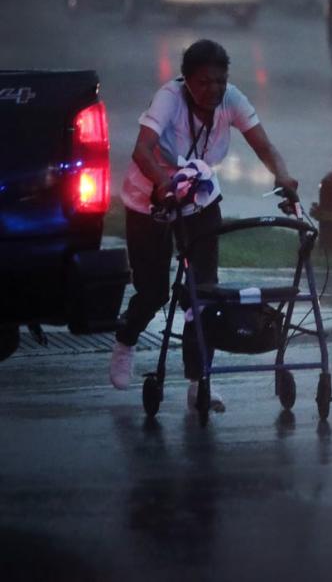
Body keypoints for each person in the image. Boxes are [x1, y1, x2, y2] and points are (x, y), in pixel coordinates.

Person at [109, 39, 298, 412]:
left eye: (220, 82)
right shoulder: (169, 98)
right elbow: (141, 149)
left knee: (203, 293)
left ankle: (199, 382)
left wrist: (283, 177)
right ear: (187, 80)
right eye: (204, 82)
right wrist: (163, 183)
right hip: (152, 200)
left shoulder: (232, 100)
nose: (213, 90)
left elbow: (263, 145)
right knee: (154, 292)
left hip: (199, 197)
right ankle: (126, 339)